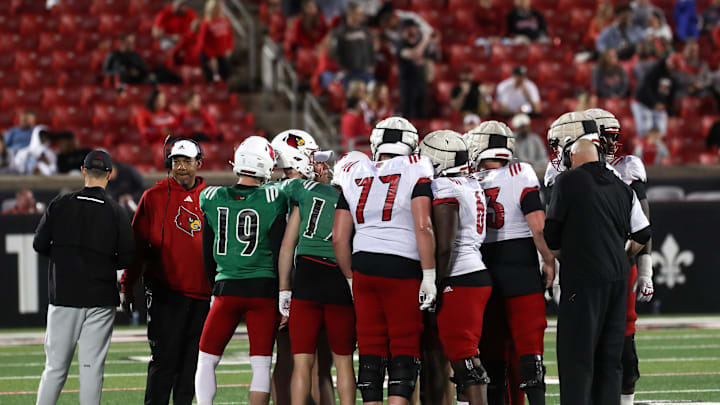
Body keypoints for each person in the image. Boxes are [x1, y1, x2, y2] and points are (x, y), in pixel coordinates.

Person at [544, 112, 651, 405]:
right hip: (618, 277)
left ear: (572, 151)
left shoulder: (568, 181)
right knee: (610, 360)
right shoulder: (621, 184)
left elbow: (550, 235)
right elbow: (643, 233)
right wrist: (619, 253)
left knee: (577, 359)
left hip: (584, 277)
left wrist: (569, 256)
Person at [332, 117, 436, 405]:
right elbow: (423, 225)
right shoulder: (416, 166)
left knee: (370, 348)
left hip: (363, 264)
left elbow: (339, 237)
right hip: (402, 265)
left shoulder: (355, 169)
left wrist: (351, 277)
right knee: (403, 345)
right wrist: (429, 274)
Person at [33, 150, 135, 405]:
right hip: (100, 298)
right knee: (91, 370)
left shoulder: (60, 203)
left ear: (83, 171)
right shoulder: (116, 211)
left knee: (55, 369)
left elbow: (39, 244)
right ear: (109, 175)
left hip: (64, 297)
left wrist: (63, 258)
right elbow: (127, 257)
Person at [464, 121, 554, 405]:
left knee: (492, 353)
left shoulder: (466, 179)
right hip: (520, 267)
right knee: (529, 349)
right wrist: (549, 260)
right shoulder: (520, 172)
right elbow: (537, 226)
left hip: (482, 269)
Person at [194, 136, 286, 405]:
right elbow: (281, 249)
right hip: (263, 289)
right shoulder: (274, 197)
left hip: (226, 289)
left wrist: (215, 287)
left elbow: (206, 252)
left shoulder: (210, 196)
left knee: (207, 359)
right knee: (260, 364)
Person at [120, 139, 211, 405]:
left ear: (198, 163)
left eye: (186, 161)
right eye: (175, 161)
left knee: (191, 365)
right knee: (164, 362)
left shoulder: (212, 198)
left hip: (203, 296)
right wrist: (127, 285)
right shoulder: (153, 197)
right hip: (165, 293)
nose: (180, 167)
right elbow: (137, 247)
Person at [278, 151, 366, 405]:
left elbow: (287, 245)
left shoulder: (306, 191)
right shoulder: (358, 199)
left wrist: (285, 288)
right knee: (344, 364)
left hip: (306, 277)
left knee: (302, 364)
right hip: (340, 277)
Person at [585, 108, 655, 405]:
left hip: (618, 259)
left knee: (623, 336)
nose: (612, 142)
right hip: (583, 263)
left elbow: (643, 221)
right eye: (606, 136)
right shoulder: (566, 170)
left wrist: (645, 267)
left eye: (614, 136)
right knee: (585, 340)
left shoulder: (627, 167)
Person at [419, 130, 491, 405]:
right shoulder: (469, 183)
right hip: (472, 273)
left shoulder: (445, 187)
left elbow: (446, 245)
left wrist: (434, 283)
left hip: (459, 276)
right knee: (460, 359)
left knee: (466, 362)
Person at [270, 129, 335, 405]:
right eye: (311, 157)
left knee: (310, 364)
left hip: (298, 280)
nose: (319, 163)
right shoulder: (287, 191)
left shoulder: (289, 190)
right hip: (293, 281)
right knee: (295, 362)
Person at [631, 53, 685, 137]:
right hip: (642, 103)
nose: (675, 71)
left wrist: (671, 114)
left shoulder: (672, 76)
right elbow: (645, 88)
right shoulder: (654, 69)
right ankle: (643, 150)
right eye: (675, 68)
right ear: (670, 63)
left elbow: (670, 96)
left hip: (659, 106)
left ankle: (657, 150)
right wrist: (654, 103)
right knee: (645, 133)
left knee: (661, 134)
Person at [332, 2, 375, 86]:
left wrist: (372, 64)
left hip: (366, 71)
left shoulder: (365, 31)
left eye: (360, 14)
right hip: (350, 73)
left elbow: (371, 48)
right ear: (350, 14)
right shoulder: (340, 32)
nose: (360, 16)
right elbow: (336, 52)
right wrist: (343, 67)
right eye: (358, 14)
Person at [397, 20, 433, 119]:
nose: (412, 33)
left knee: (422, 115)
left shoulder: (418, 43)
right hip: (408, 86)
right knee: (409, 117)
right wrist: (425, 40)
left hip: (421, 84)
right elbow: (415, 54)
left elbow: (430, 59)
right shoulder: (401, 44)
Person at [196, 0, 234, 82]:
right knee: (211, 79)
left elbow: (229, 37)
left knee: (225, 75)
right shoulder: (206, 23)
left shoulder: (225, 20)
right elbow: (201, 42)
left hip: (222, 54)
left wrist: (229, 48)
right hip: (209, 55)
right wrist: (211, 56)